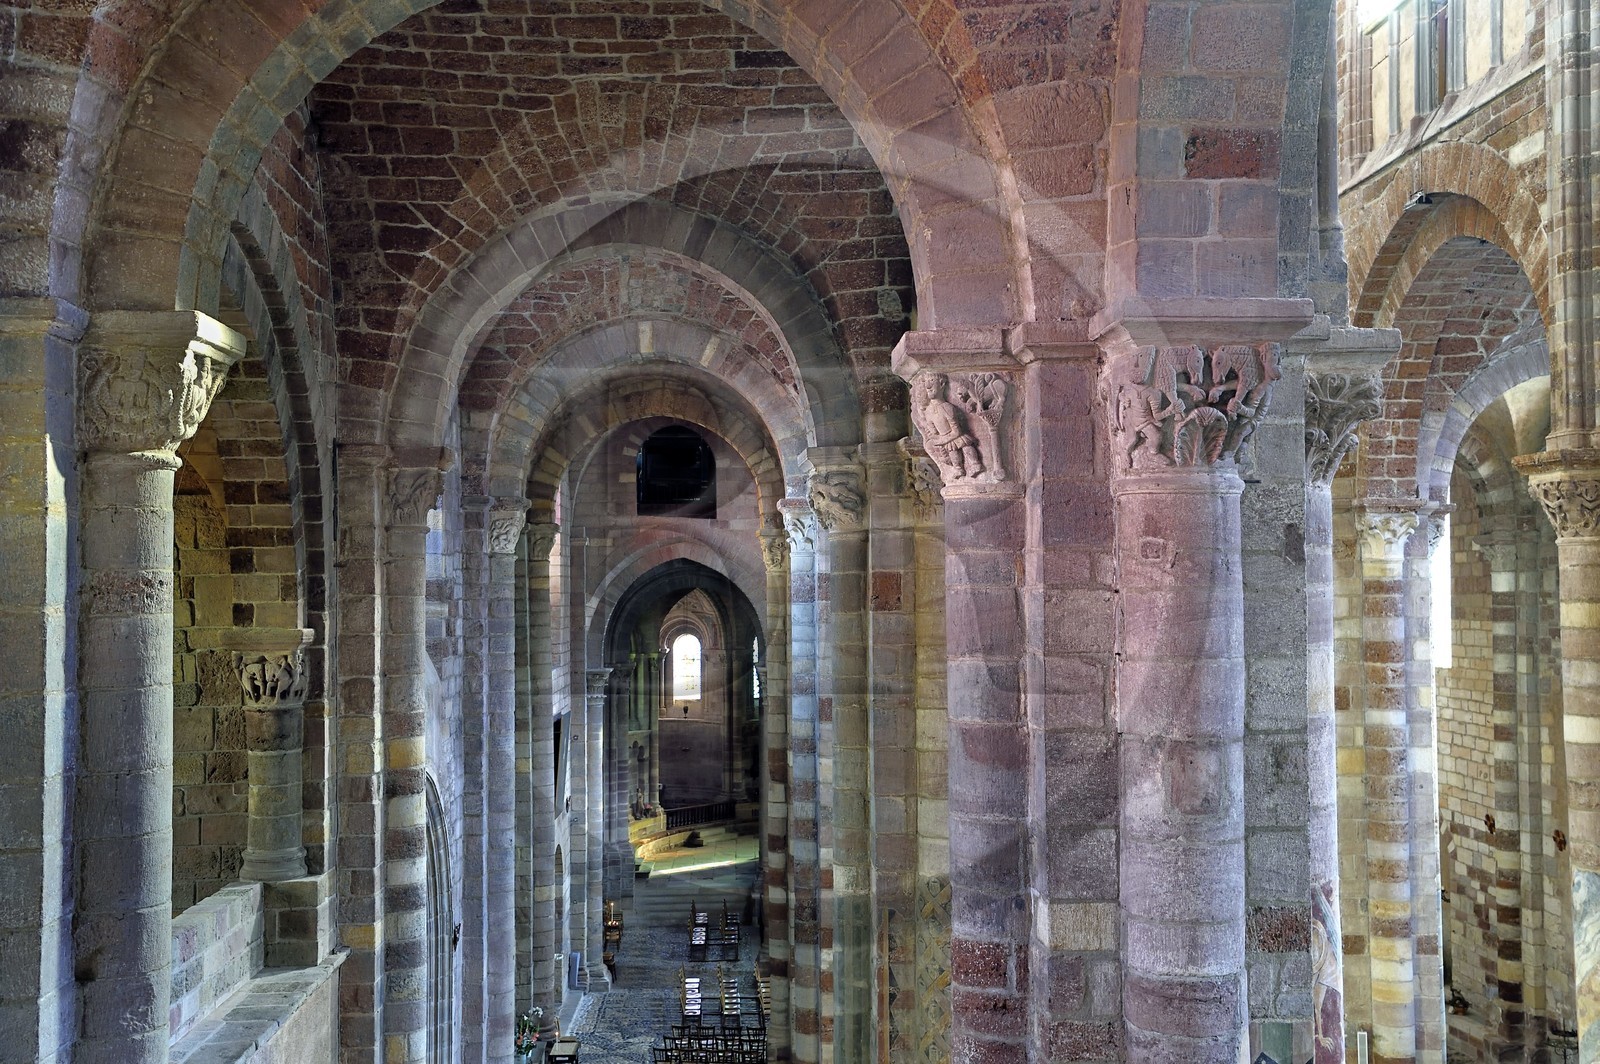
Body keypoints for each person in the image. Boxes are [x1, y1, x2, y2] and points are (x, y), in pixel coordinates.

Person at [912, 372, 985, 480]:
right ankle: (958, 469)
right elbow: (933, 432)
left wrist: (943, 439)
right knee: (953, 453)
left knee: (966, 447)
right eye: (926, 382)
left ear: (942, 384)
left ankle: (975, 464)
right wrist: (934, 437)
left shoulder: (947, 407)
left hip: (955, 435)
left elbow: (957, 431)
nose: (928, 386)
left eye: (932, 381)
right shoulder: (928, 412)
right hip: (944, 437)